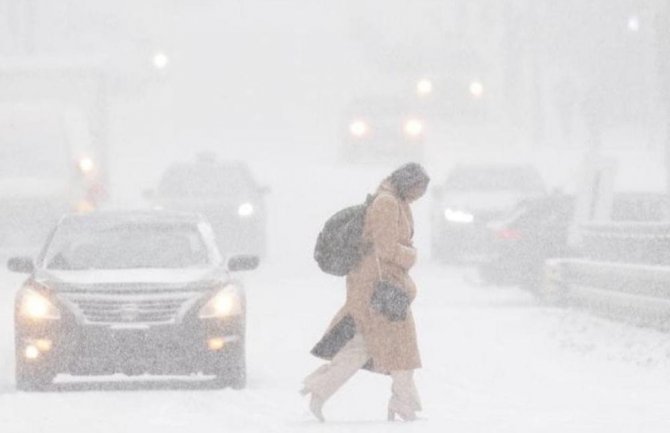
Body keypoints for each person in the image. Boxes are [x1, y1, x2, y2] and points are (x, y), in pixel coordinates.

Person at [302, 162, 430, 422]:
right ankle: (402, 402)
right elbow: (386, 250)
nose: (419, 195)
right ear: (408, 183)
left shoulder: (395, 200)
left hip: (380, 286)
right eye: (418, 189)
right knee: (397, 349)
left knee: (368, 346)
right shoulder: (387, 204)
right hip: (379, 289)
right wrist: (412, 255)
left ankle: (320, 390)